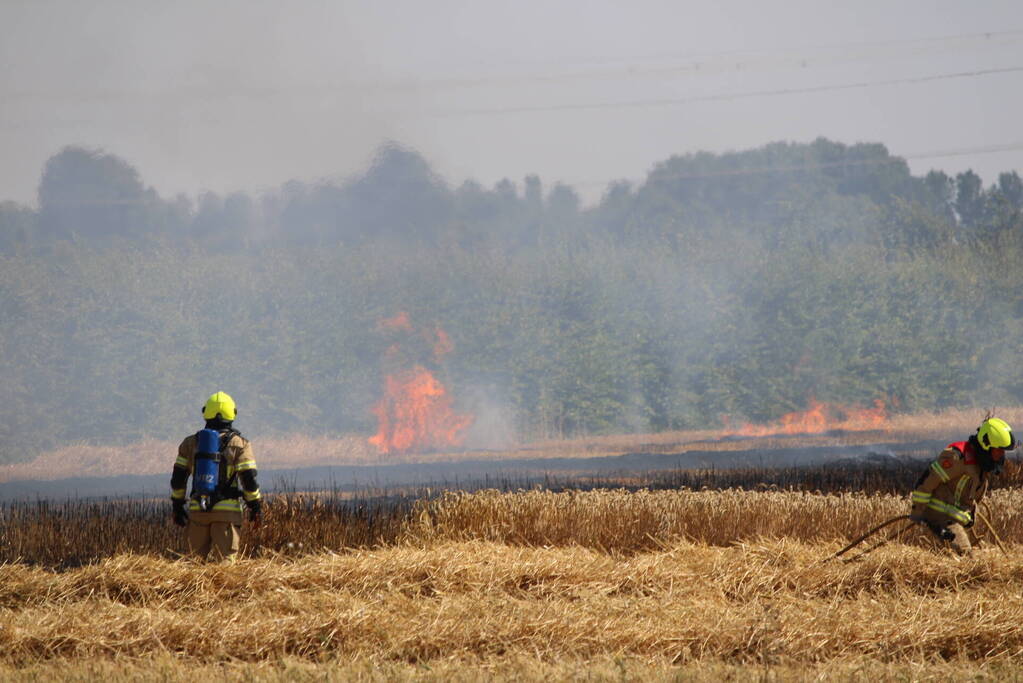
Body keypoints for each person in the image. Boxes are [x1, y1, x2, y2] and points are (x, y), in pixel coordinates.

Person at [170, 391, 262, 561]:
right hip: (226, 514)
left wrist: (177, 506)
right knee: (225, 569)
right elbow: (249, 479)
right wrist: (255, 507)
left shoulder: (189, 443)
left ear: (205, 412)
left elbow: (178, 480)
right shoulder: (240, 444)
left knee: (192, 566)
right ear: (232, 413)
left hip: (198, 510)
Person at [909, 416, 1016, 555]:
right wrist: (917, 513)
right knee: (966, 557)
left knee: (970, 556)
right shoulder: (957, 457)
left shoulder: (981, 466)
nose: (1002, 455)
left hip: (953, 520)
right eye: (999, 450)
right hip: (939, 517)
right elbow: (926, 482)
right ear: (986, 445)